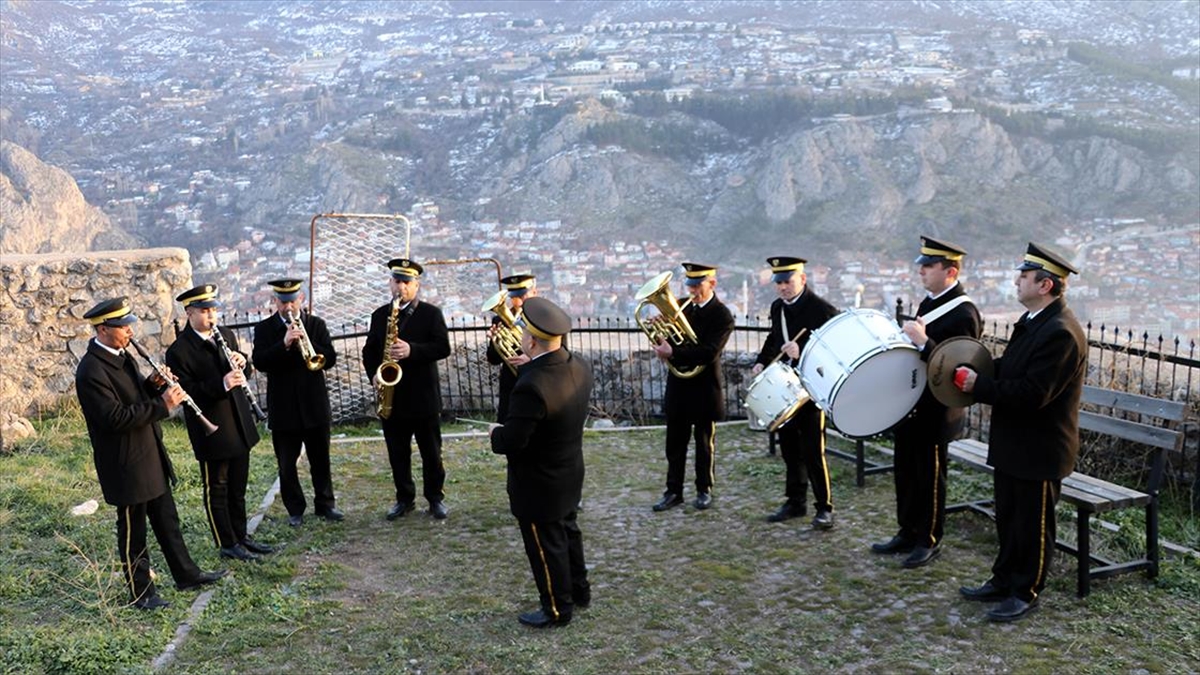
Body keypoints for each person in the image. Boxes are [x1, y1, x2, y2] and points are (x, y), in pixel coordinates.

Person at [955, 242, 1087, 622]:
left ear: (1045, 285)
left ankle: (1025, 591)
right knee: (1009, 517)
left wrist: (978, 385)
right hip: (1016, 443)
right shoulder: (1035, 322)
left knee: (1032, 525)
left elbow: (1033, 394)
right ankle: (1003, 579)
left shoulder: (1060, 332)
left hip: (1040, 448)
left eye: (1024, 276)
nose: (1017, 281)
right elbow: (1011, 367)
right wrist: (972, 367)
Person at [75, 297, 227, 610]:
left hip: (149, 454)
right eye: (122, 327)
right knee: (134, 533)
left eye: (129, 325)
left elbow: (135, 396)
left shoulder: (122, 355)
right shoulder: (91, 370)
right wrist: (164, 405)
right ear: (103, 329)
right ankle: (141, 594)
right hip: (125, 464)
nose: (130, 331)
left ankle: (187, 574)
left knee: (167, 521)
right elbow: (114, 418)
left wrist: (155, 384)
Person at [873, 237, 982, 568]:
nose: (920, 269)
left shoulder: (964, 312)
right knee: (905, 471)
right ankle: (907, 530)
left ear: (950, 271)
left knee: (931, 476)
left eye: (928, 265)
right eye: (921, 264)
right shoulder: (930, 302)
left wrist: (923, 343)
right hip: (912, 404)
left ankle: (929, 538)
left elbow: (961, 367)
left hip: (938, 409)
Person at [489, 297, 593, 628]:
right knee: (568, 532)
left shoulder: (531, 386)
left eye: (523, 332)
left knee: (545, 547)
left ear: (532, 340)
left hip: (538, 482)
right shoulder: (579, 365)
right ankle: (579, 591)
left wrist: (495, 433)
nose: (519, 336)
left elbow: (513, 441)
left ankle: (558, 608)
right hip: (569, 471)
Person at [165, 284, 269, 562]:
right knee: (218, 488)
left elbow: (242, 371)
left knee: (238, 486)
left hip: (238, 423)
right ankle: (226, 542)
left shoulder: (226, 335)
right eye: (204, 311)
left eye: (213, 310)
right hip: (212, 428)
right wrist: (221, 383)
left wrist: (243, 362)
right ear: (189, 313)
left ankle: (241, 536)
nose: (211, 316)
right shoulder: (179, 351)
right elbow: (186, 393)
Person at [752, 256, 840, 530]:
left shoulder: (823, 310)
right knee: (789, 448)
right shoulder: (777, 307)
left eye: (787, 281)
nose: (782, 287)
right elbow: (773, 337)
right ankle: (795, 502)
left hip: (811, 390)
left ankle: (824, 508)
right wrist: (760, 361)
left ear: (802, 279)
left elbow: (834, 354)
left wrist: (802, 354)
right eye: (778, 282)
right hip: (785, 388)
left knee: (814, 450)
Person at [362, 259, 452, 521]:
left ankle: (435, 498)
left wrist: (412, 350)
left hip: (423, 397)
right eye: (396, 281)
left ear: (416, 285)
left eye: (406, 282)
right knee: (397, 453)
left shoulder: (431, 314)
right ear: (391, 282)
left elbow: (442, 347)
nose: (400, 287)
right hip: (393, 398)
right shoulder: (380, 315)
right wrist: (374, 376)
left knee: (431, 452)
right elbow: (369, 352)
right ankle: (404, 499)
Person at [253, 279, 342, 528]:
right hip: (284, 408)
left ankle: (326, 504)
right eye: (283, 302)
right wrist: (284, 344)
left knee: (320, 459)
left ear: (301, 299)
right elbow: (260, 361)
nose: (288, 306)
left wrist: (311, 345)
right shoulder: (265, 329)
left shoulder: (315, 324)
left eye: (292, 300)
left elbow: (330, 358)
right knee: (286, 464)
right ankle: (295, 509)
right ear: (275, 302)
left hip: (314, 404)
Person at [650, 263, 734, 512]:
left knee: (704, 442)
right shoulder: (680, 306)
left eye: (698, 285)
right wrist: (659, 336)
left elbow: (709, 352)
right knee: (674, 443)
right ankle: (673, 491)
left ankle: (704, 489)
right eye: (690, 285)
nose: (693, 290)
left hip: (704, 386)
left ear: (712, 284)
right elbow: (667, 342)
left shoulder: (722, 315)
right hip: (679, 385)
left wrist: (672, 351)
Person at [485, 273, 537, 422]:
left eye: (522, 295)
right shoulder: (500, 319)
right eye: (514, 297)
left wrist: (531, 359)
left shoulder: (545, 317)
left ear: (534, 292)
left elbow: (558, 350)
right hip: (511, 385)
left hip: (536, 381)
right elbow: (493, 359)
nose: (518, 301)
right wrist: (495, 341)